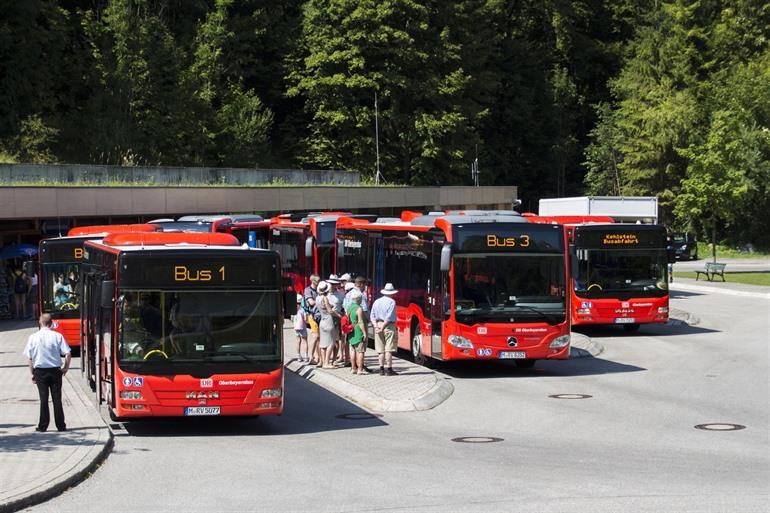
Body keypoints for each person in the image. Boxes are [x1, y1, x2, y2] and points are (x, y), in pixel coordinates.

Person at [23, 313, 72, 432]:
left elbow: (30, 358)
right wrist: (65, 367)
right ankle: (61, 425)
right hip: (55, 371)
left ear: (40, 322)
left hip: (40, 371)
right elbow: (68, 353)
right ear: (51, 323)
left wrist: (32, 373)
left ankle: (43, 426)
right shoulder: (58, 336)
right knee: (57, 399)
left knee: (43, 399)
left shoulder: (33, 337)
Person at [370, 283, 398, 376]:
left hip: (378, 325)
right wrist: (382, 327)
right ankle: (389, 370)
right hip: (388, 326)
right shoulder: (392, 302)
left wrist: (376, 326)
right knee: (388, 349)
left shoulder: (377, 301)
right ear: (392, 293)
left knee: (380, 350)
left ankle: (381, 369)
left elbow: (372, 316)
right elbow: (389, 317)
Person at [316, 281, 341, 369]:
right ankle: (327, 362)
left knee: (323, 343)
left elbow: (325, 307)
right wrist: (338, 315)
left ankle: (323, 362)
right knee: (331, 343)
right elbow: (330, 311)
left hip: (322, 321)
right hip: (329, 321)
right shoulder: (325, 298)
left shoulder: (317, 298)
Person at [346, 289, 369, 374]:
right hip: (358, 332)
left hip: (351, 331)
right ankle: (360, 369)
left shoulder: (350, 307)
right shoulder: (359, 309)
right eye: (361, 298)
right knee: (360, 351)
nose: (361, 300)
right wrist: (364, 333)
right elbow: (360, 322)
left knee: (352, 350)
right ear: (358, 298)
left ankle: (353, 368)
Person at [303, 274, 321, 365]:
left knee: (319, 338)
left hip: (320, 315)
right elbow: (311, 302)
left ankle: (318, 357)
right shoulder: (307, 290)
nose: (319, 282)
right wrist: (321, 301)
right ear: (312, 281)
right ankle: (311, 356)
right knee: (315, 336)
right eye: (317, 281)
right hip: (312, 315)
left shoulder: (319, 289)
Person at [293, 294, 309, 362]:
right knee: (305, 341)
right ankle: (306, 356)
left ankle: (298, 356)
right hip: (303, 327)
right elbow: (306, 319)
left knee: (298, 341)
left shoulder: (293, 310)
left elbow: (292, 318)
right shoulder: (302, 310)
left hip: (296, 327)